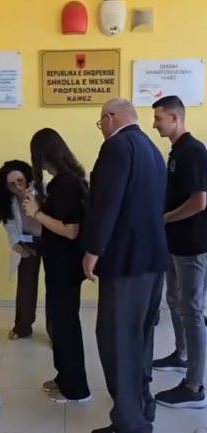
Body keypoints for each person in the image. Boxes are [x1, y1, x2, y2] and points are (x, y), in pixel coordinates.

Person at [84, 98, 168, 433]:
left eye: (100, 123)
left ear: (110, 118)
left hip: (125, 262)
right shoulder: (152, 150)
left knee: (117, 340)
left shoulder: (117, 147)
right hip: (154, 259)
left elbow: (108, 203)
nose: (101, 130)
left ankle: (130, 424)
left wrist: (93, 249)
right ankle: (143, 406)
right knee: (140, 338)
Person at [21, 128, 90, 404]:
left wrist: (36, 212)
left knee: (66, 325)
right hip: (59, 264)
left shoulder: (66, 185)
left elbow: (70, 230)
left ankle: (76, 389)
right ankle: (64, 377)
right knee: (59, 323)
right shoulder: (63, 182)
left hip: (65, 265)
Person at [150, 95, 207, 408]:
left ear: (174, 117)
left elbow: (199, 202)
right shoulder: (176, 152)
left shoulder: (194, 151)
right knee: (173, 299)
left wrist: (164, 218)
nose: (154, 124)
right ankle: (181, 354)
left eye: (158, 118)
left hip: (193, 245)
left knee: (192, 310)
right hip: (174, 242)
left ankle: (195, 386)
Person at [0, 160, 43, 340]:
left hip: (51, 239)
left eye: (20, 181)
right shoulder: (9, 202)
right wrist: (17, 246)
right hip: (27, 241)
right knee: (26, 285)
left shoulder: (42, 190)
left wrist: (34, 200)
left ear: (27, 177)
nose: (18, 187)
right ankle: (23, 326)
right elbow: (11, 228)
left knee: (55, 285)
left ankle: (56, 330)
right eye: (12, 185)